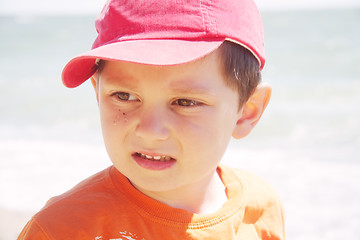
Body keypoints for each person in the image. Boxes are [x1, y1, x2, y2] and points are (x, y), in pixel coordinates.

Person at [18, 0, 285, 239]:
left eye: (185, 102)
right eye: (123, 96)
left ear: (248, 110)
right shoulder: (62, 230)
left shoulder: (263, 209)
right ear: (97, 92)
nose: (149, 131)